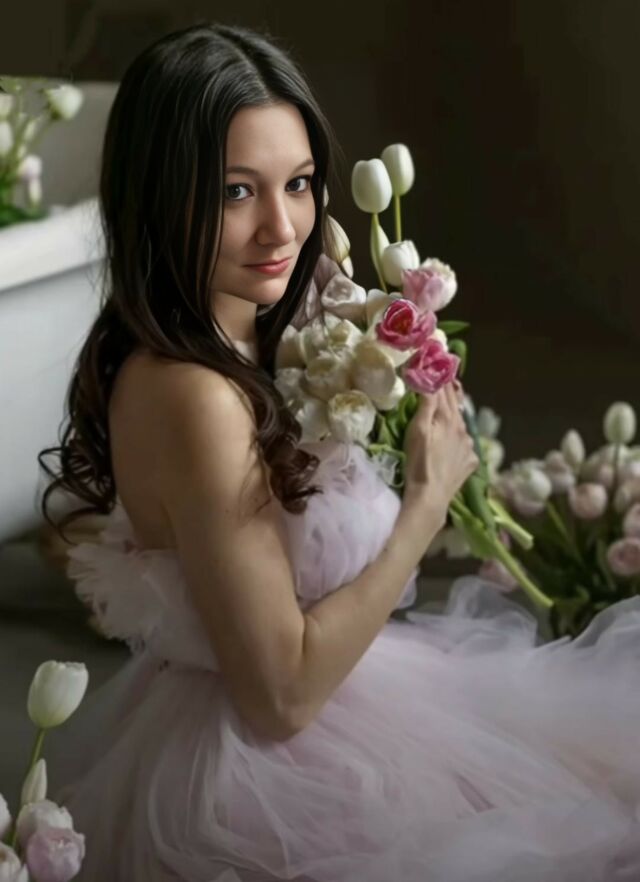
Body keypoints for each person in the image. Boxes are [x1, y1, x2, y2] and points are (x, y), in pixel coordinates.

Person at [39, 21, 640, 882]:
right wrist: (426, 506)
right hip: (264, 774)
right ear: (160, 196)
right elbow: (282, 696)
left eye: (298, 183)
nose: (281, 227)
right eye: (236, 192)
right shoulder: (197, 396)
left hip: (362, 705)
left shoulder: (245, 342)